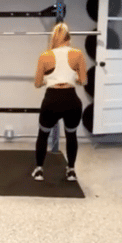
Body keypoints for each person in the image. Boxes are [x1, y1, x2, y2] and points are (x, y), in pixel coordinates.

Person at [33, 22, 87, 181]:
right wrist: (73, 78)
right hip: (71, 101)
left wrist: (48, 80)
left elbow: (37, 84)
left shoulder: (45, 55)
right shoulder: (78, 53)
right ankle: (71, 171)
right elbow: (83, 81)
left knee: (43, 135)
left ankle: (39, 171)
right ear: (68, 38)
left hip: (52, 100)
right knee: (71, 135)